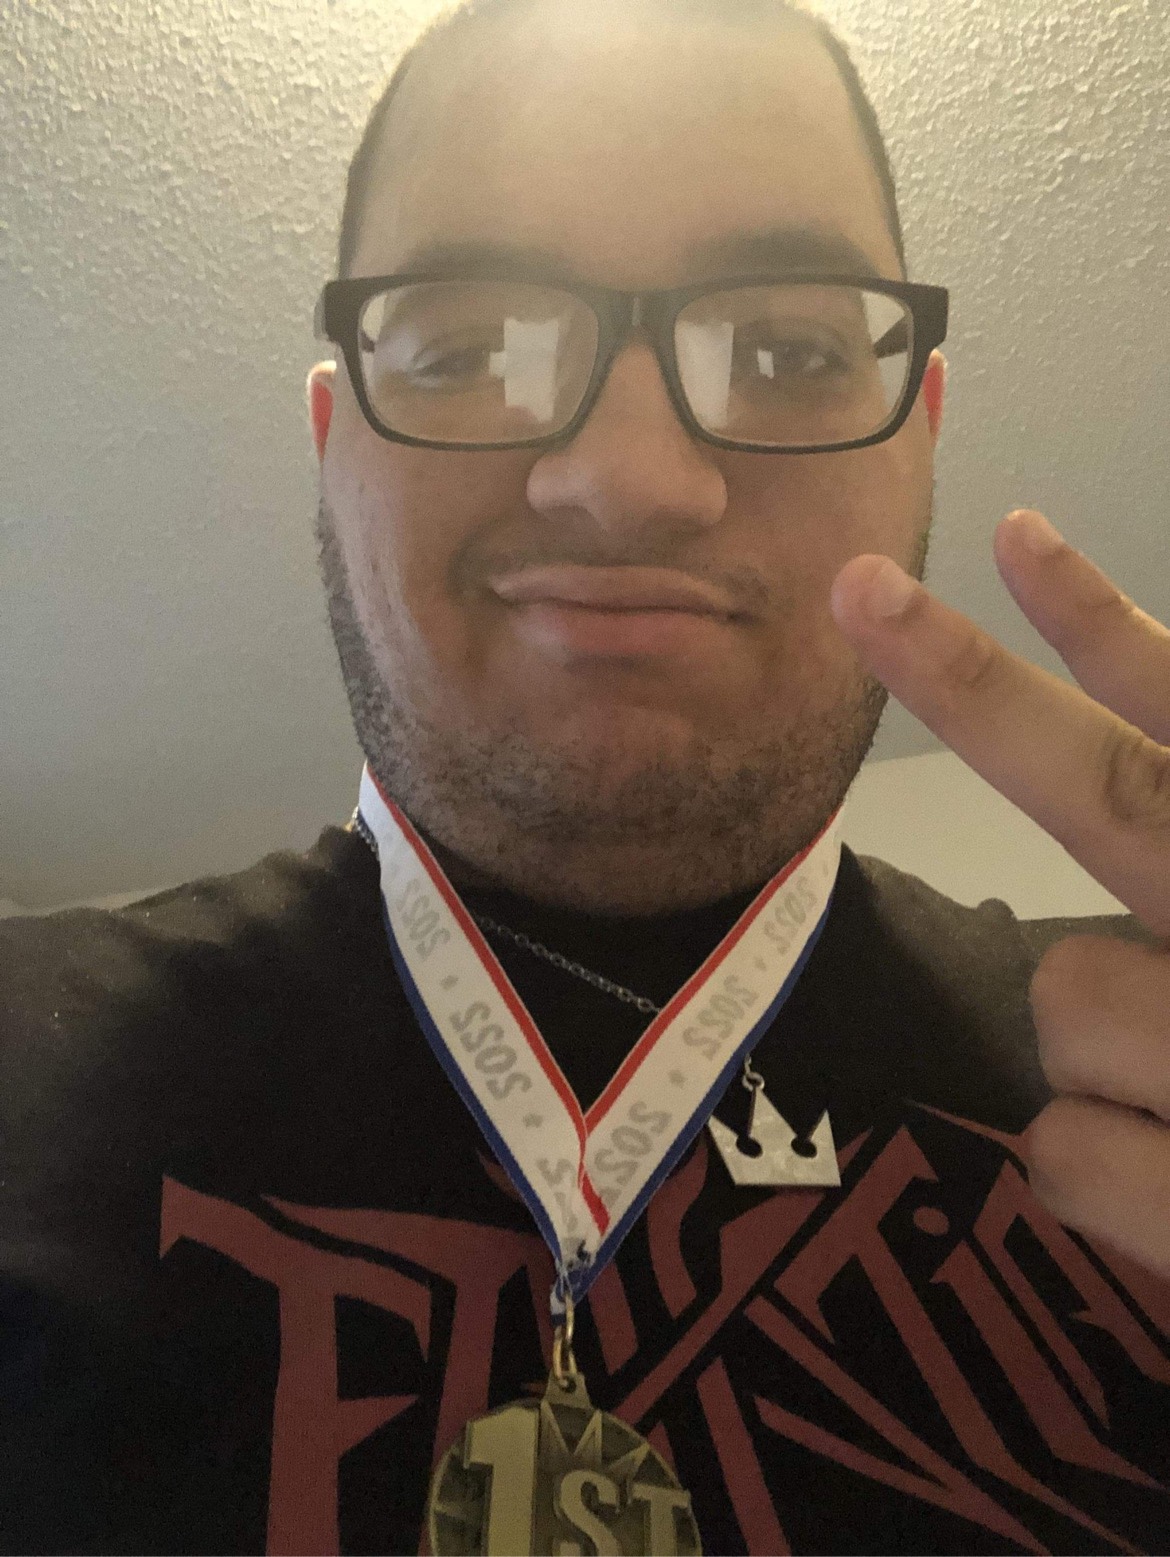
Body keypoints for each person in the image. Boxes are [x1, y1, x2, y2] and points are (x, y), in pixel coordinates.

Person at [2, 0, 1169, 1550]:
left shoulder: (1139, 1076)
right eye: (472, 347)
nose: (627, 479)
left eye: (786, 351)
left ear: (919, 439)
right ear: (334, 445)